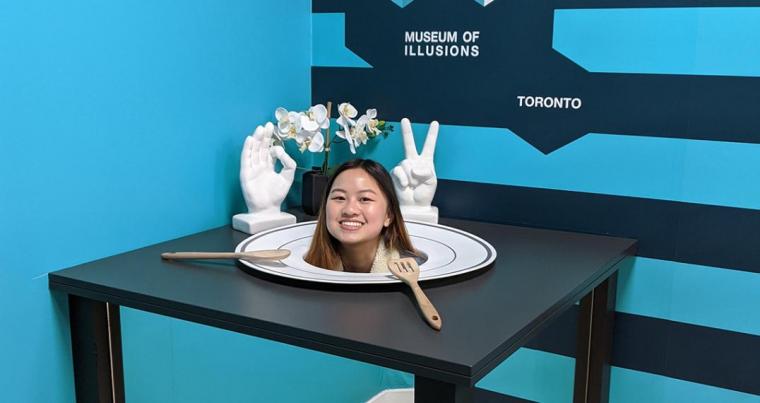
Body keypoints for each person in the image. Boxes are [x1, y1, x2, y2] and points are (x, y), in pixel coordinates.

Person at [304, 159, 418, 273]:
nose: (349, 210)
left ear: (389, 215)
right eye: (339, 198)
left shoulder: (413, 270)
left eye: (365, 199)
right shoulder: (304, 267)